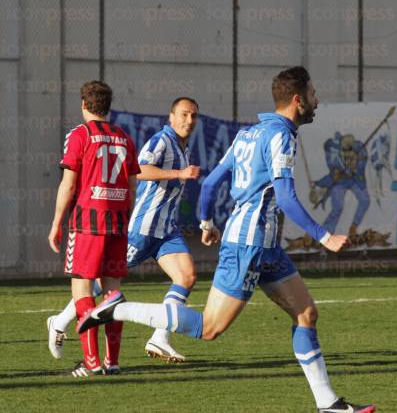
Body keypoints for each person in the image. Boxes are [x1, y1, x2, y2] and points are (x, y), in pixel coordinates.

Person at [77, 67, 376, 413]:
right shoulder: (281, 136)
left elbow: (209, 183)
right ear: (298, 100)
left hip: (266, 246)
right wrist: (324, 236)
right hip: (247, 244)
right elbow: (286, 196)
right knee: (209, 328)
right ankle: (119, 308)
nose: (317, 100)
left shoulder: (249, 134)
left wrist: (206, 221)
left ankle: (328, 403)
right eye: (313, 95)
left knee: (306, 313)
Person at [47, 97, 201, 363]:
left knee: (187, 276)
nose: (189, 121)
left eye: (194, 116)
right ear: (171, 117)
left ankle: (159, 339)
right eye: (184, 115)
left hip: (165, 230)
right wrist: (178, 174)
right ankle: (59, 322)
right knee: (100, 286)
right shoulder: (161, 141)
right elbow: (139, 170)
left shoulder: (183, 147)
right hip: (141, 228)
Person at [48, 80, 140, 377]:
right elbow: (131, 186)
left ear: (84, 105)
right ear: (107, 107)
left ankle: (91, 362)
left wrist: (56, 223)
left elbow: (69, 183)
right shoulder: (125, 137)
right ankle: (112, 363)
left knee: (82, 290)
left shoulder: (80, 134)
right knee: (113, 293)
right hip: (117, 223)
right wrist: (124, 215)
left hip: (87, 223)